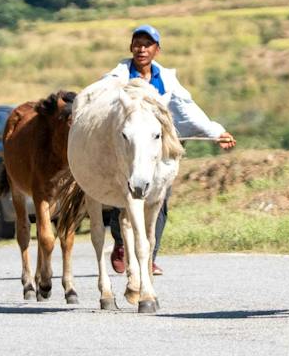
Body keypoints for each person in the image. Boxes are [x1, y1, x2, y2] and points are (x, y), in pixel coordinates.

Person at [99, 23, 234, 276]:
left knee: (159, 201)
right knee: (125, 197)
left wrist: (217, 133)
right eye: (137, 44)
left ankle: (149, 257)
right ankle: (120, 244)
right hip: (128, 147)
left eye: (147, 45)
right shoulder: (117, 79)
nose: (141, 49)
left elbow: (187, 109)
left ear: (156, 50)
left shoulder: (167, 80)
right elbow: (102, 103)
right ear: (130, 48)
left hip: (158, 147)